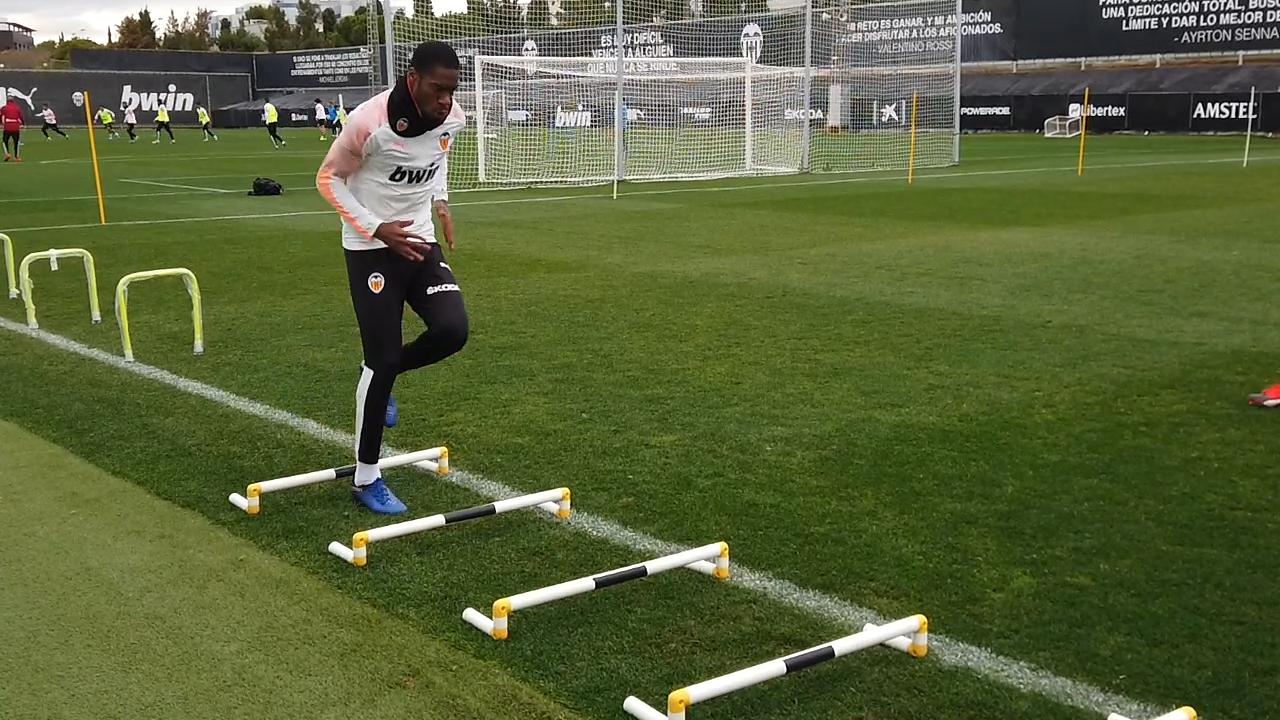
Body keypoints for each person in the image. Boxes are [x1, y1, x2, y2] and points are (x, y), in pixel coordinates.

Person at [315, 41, 466, 515]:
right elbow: (328, 179)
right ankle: (366, 478)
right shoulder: (369, 122)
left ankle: (385, 376)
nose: (446, 99)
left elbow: (437, 158)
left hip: (418, 240)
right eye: (438, 89)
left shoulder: (453, 118)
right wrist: (376, 228)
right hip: (371, 248)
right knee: (379, 358)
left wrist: (441, 203)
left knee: (452, 331)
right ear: (413, 79)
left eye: (452, 90)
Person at [2, 93, 22, 162]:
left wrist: (3, 124)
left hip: (7, 127)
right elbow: (20, 117)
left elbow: (2, 117)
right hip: (15, 127)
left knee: (5, 141)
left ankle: (7, 153)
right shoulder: (17, 107)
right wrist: (22, 123)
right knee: (16, 142)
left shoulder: (4, 108)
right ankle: (16, 157)